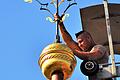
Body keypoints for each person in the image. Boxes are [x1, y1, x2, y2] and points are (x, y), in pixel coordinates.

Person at [54, 14, 111, 80]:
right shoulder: (83, 51)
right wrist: (60, 24)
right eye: (78, 43)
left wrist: (73, 51)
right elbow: (69, 41)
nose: (79, 45)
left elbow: (89, 56)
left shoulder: (99, 47)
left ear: (88, 38)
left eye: (81, 41)